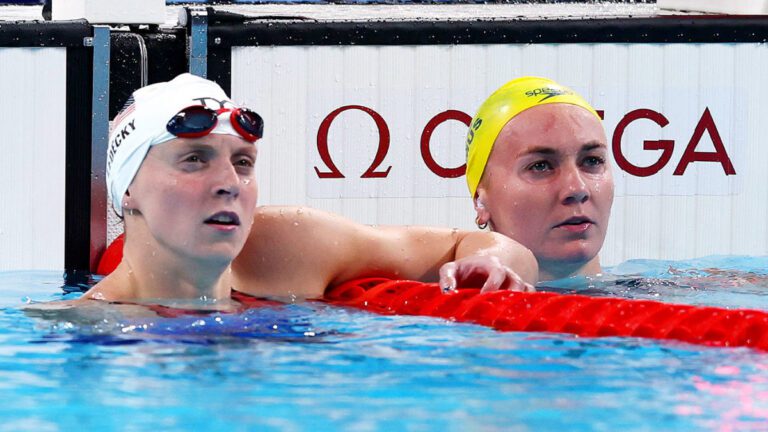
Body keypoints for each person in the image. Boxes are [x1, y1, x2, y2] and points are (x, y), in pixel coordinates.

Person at [78, 73, 537, 307]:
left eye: (243, 163)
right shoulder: (85, 336)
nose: (227, 185)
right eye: (194, 159)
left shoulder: (289, 247)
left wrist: (492, 263)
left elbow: (477, 244)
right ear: (128, 190)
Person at [465, 77, 614, 282]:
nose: (577, 188)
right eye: (540, 166)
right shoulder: (442, 306)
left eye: (592, 160)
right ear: (480, 201)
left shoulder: (662, 289)